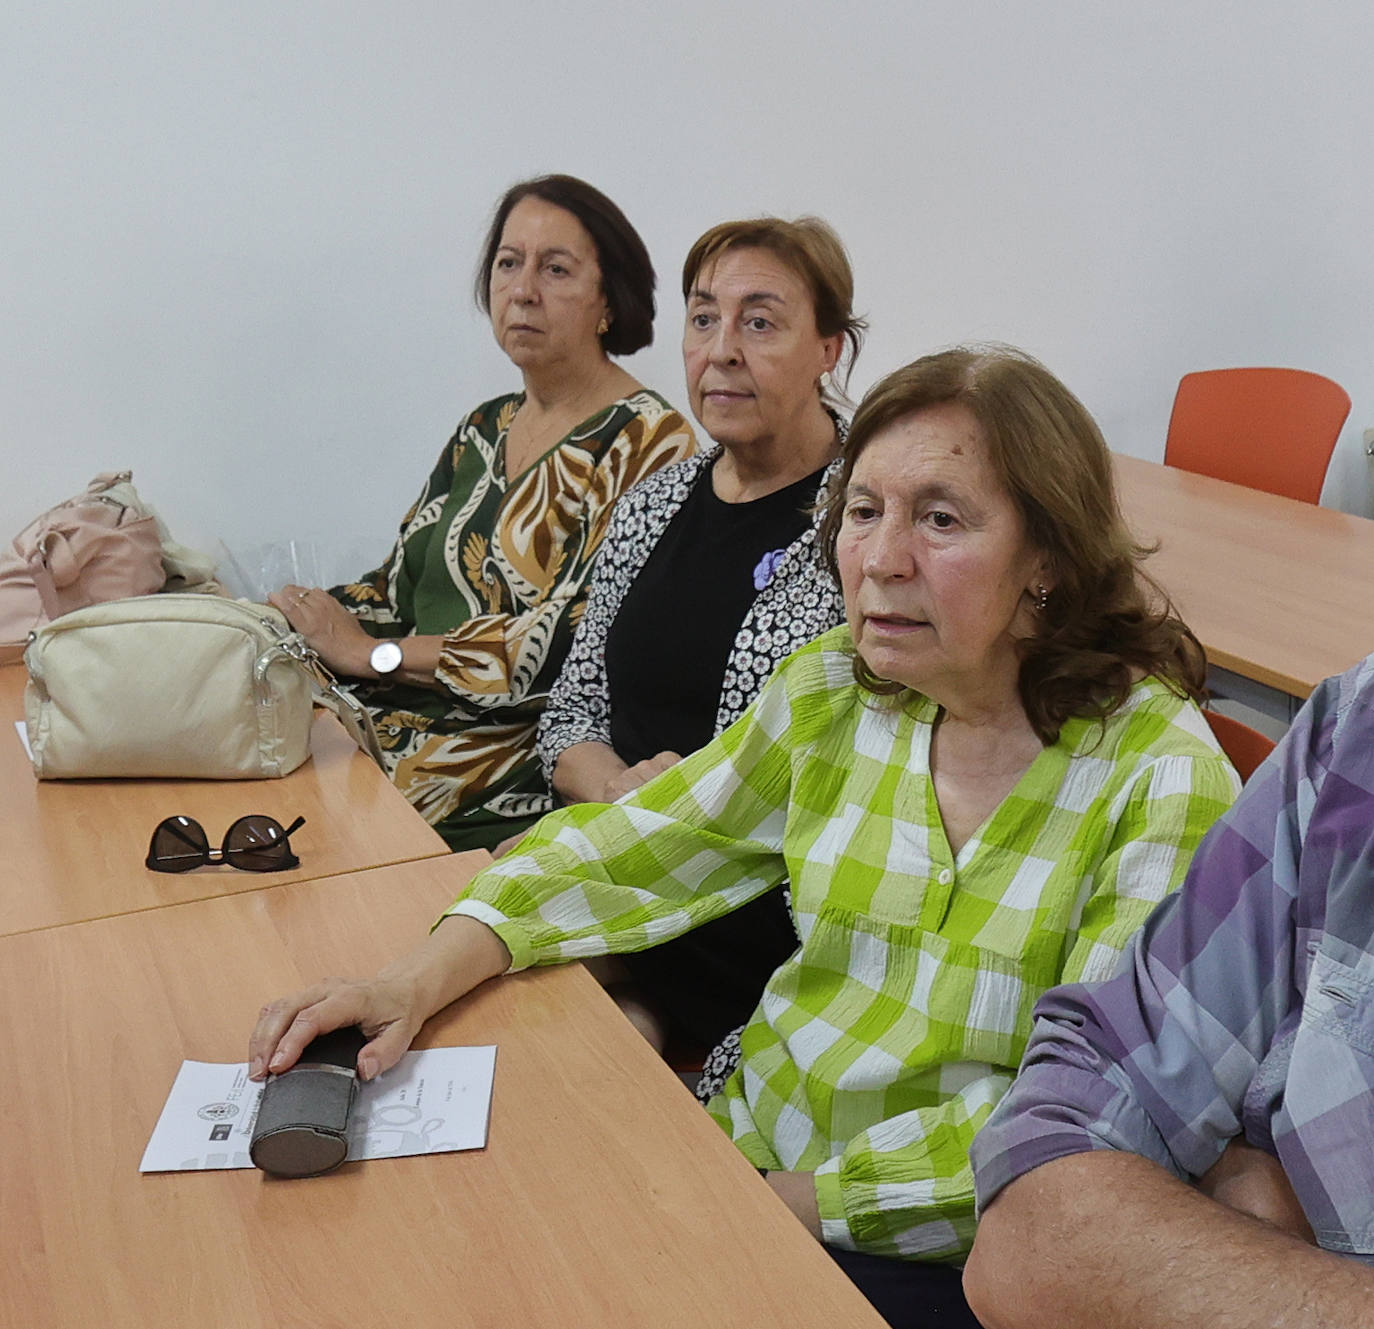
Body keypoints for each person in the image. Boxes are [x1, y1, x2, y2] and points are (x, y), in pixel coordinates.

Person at [250, 346, 1239, 1329]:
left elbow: (1091, 1123)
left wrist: (784, 1208)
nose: (882, 560)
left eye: (941, 519)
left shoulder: (1159, 777)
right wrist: (411, 980)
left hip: (950, 1247)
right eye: (863, 512)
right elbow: (631, 848)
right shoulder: (835, 694)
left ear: (1049, 566)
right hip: (747, 1148)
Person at [267, 175, 694, 852]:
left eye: (555, 269)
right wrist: (281, 617)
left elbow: (564, 647)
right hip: (389, 723)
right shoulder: (484, 427)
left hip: (503, 763)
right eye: (507, 263)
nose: (523, 290)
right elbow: (394, 590)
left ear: (608, 300)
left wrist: (369, 654)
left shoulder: (647, 440)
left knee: (305, 835)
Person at [536, 216, 863, 1070]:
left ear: (829, 349)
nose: (721, 350)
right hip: (622, 866)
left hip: (752, 907)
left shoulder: (864, 525)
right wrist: (621, 796)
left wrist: (665, 821)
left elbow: (843, 780)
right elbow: (568, 715)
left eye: (761, 322)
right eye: (704, 317)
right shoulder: (654, 504)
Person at [963, 653, 1374, 1329]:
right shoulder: (1352, 729)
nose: (884, 559)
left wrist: (1219, 1229)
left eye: (947, 534)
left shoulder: (1157, 764)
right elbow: (1031, 1220)